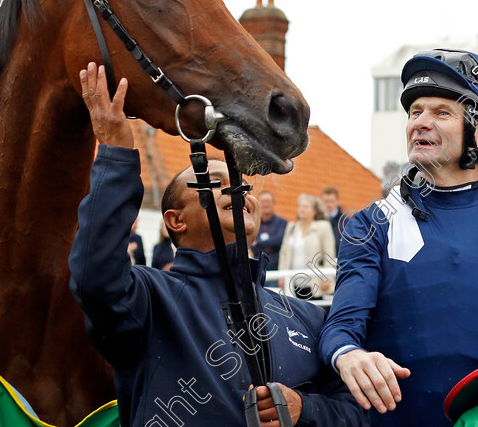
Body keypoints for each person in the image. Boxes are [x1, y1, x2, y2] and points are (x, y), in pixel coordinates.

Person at [69, 63, 366, 427]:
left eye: (241, 184)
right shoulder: (149, 300)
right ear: (175, 221)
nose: (234, 189)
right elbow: (94, 276)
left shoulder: (306, 316)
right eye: (211, 181)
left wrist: (306, 409)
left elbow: (357, 413)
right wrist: (116, 151)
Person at [318, 49, 478, 426]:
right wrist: (347, 355)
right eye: (415, 111)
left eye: (441, 113)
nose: (420, 123)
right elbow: (340, 329)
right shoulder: (371, 225)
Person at [278, 194, 336, 299]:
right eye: (300, 206)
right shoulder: (291, 227)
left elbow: (329, 254)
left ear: (314, 211)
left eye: (306, 207)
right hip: (293, 283)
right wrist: (281, 275)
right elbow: (284, 253)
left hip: (314, 283)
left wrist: (327, 278)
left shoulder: (323, 227)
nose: (302, 209)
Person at [250, 190, 288, 271]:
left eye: (268, 201)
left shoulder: (282, 223)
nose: (265, 204)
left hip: (277, 271)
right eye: (263, 201)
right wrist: (270, 245)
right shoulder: (253, 223)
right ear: (258, 204)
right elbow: (251, 246)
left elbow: (280, 241)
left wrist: (258, 244)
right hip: (257, 270)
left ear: (273, 203)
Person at [321, 186, 346, 254]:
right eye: (326, 201)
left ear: (337, 201)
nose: (328, 204)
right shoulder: (317, 220)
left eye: (331, 201)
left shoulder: (345, 222)